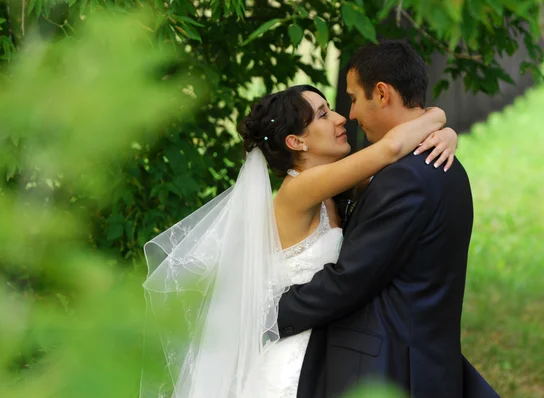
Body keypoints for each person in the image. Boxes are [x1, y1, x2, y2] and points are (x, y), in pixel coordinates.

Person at [143, 80, 455, 396]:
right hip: (293, 357)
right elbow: (392, 148)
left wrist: (445, 136)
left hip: (321, 344)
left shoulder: (330, 188)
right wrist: (439, 117)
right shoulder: (299, 190)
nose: (340, 118)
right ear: (296, 141)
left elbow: (390, 167)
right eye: (322, 115)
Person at [276, 41, 499, 397]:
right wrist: (438, 121)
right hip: (419, 357)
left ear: (381, 94)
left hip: (394, 366)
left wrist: (269, 316)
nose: (348, 116)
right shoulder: (443, 166)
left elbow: (352, 279)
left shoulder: (405, 177)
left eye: (352, 99)